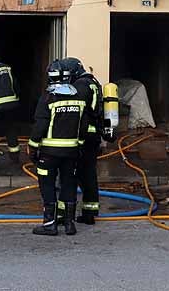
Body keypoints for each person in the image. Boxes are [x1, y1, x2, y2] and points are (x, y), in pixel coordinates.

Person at [28, 58, 86, 236]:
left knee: (47, 186)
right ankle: (69, 224)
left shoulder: (47, 98)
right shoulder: (78, 97)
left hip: (49, 154)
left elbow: (40, 126)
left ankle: (50, 224)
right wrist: (80, 146)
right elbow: (83, 127)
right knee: (69, 184)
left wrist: (32, 147)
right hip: (71, 153)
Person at [66, 58, 107, 225]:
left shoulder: (80, 86)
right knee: (89, 174)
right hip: (95, 135)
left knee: (73, 174)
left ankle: (64, 214)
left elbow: (78, 111)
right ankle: (90, 212)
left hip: (84, 136)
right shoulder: (93, 83)